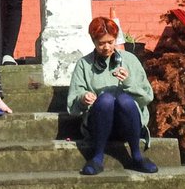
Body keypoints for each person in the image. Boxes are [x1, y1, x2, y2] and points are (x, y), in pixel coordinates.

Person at [67, 15, 159, 175]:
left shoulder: (130, 60)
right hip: (99, 124)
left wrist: (129, 82)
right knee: (106, 99)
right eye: (101, 43)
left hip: (129, 124)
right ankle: (97, 157)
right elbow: (72, 106)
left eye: (111, 42)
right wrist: (83, 98)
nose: (107, 47)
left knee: (124, 100)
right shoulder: (84, 64)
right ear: (93, 41)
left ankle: (136, 155)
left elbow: (147, 97)